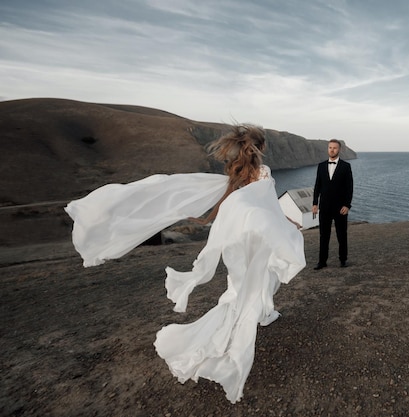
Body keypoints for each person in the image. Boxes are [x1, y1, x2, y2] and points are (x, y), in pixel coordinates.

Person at [65, 124, 305, 404]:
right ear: (261, 148)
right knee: (260, 278)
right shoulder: (263, 173)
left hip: (237, 237)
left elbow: (228, 201)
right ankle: (241, 326)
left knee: (242, 283)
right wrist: (285, 223)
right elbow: (269, 207)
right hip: (256, 235)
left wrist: (206, 219)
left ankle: (260, 312)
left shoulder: (237, 173)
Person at [312, 139, 353, 269]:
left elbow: (349, 188)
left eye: (335, 148)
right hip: (324, 207)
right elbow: (317, 186)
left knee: (342, 234)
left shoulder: (346, 166)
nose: (332, 150)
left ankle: (343, 260)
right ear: (327, 149)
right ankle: (322, 261)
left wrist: (347, 205)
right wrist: (315, 203)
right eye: (330, 147)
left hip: (340, 207)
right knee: (324, 235)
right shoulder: (321, 166)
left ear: (339, 149)